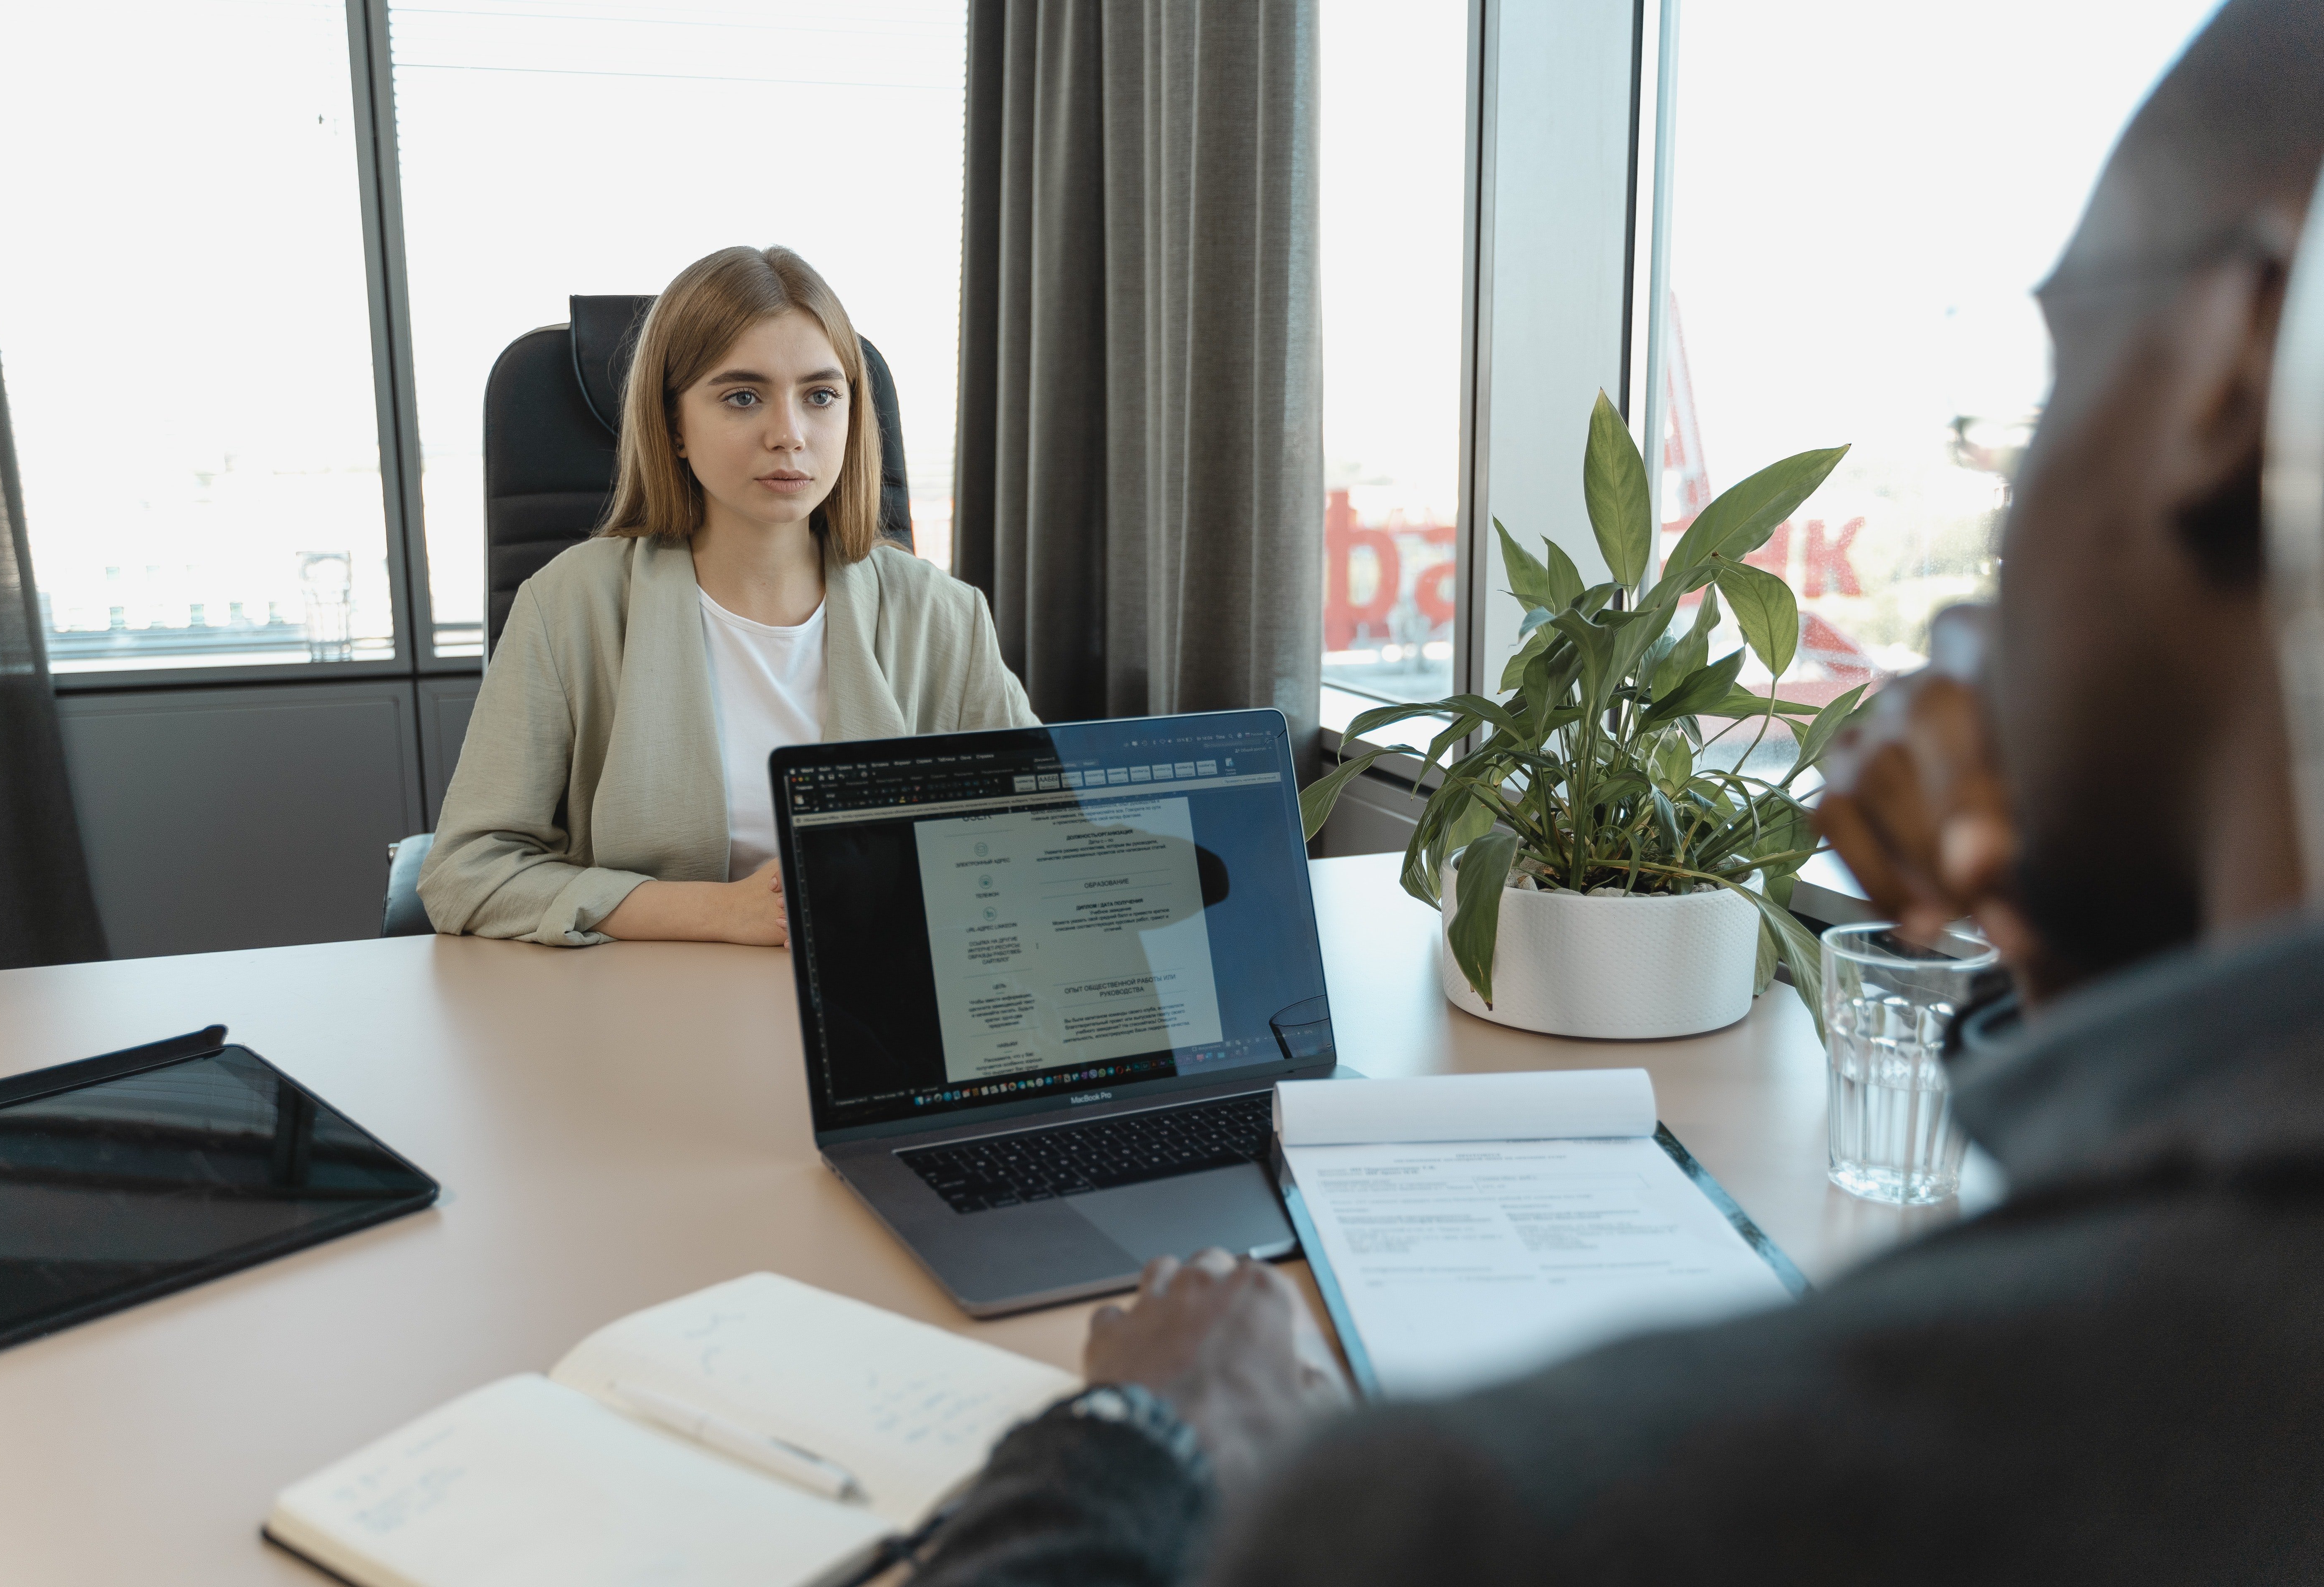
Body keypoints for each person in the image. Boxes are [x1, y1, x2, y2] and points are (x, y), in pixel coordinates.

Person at [905, 3, 2324, 1580]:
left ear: (2226, 371)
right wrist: (2073, 919)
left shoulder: (1513, 1510)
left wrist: (1131, 1439)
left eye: (2056, 364)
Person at [419, 247, 1036, 949]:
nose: (790, 435)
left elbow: (1046, 833)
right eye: (743, 396)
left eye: (821, 395)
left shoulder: (944, 617)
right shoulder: (570, 605)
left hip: (880, 1007)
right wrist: (727, 913)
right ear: (674, 425)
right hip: (647, 1009)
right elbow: (467, 870)